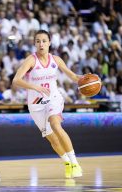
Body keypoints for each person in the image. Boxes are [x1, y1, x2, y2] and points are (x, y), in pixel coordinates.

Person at [13, 30, 83, 179]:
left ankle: (75, 163)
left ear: (49, 43)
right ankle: (67, 163)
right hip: (36, 104)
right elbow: (16, 80)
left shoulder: (56, 60)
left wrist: (83, 79)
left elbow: (72, 76)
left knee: (55, 124)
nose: (41, 44)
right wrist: (36, 87)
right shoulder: (31, 60)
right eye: (38, 41)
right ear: (34, 43)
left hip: (53, 98)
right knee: (52, 138)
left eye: (44, 41)